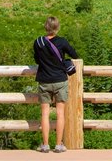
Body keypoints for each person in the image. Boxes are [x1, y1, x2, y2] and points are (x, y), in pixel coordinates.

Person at [32, 16, 78, 153]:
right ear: (57, 27)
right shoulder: (62, 41)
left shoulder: (38, 42)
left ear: (45, 27)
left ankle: (45, 145)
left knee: (45, 114)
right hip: (59, 80)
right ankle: (58, 145)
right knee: (60, 113)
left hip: (44, 80)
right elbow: (74, 54)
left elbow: (36, 59)